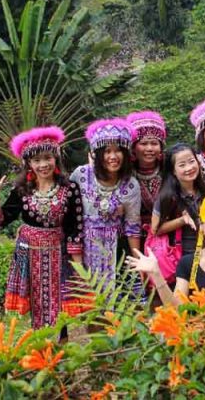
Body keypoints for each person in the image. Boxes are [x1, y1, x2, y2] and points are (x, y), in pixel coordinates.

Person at [0, 126, 83, 329]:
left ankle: (59, 347)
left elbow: (75, 229)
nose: (43, 165)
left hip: (59, 255)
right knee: (33, 308)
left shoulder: (70, 189)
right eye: (36, 160)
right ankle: (37, 346)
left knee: (60, 309)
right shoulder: (22, 190)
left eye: (47, 158)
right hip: (28, 255)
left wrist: (80, 271)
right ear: (28, 163)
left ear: (56, 158)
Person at [70, 118, 141, 289]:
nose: (113, 157)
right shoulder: (80, 175)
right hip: (81, 248)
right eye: (107, 151)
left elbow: (132, 227)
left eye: (118, 151)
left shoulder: (131, 185)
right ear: (98, 153)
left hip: (115, 250)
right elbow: (70, 216)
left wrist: (138, 262)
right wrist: (76, 261)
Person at [151, 143, 205, 262]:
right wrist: (182, 220)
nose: (189, 168)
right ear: (173, 170)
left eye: (191, 161)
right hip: (182, 258)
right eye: (182, 165)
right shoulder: (167, 196)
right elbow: (155, 229)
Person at [126, 111, 167, 239]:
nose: (149, 148)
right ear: (133, 148)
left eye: (154, 143)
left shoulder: (170, 170)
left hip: (166, 236)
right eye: (143, 144)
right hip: (133, 238)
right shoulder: (125, 173)